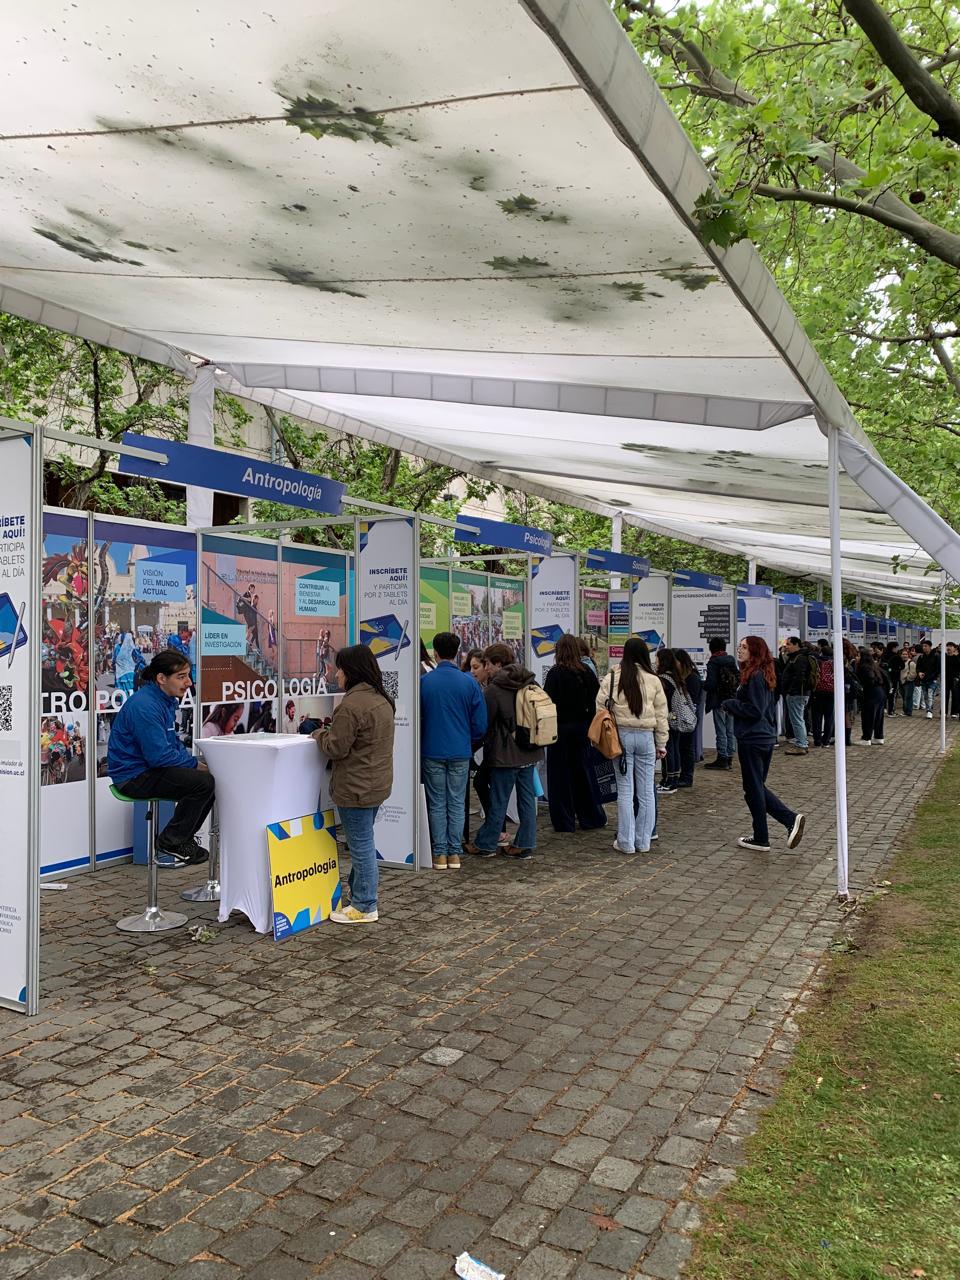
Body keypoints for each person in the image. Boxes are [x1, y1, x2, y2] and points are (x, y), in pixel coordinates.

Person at [107, 650, 215, 868]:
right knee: (205, 783)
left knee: (211, 780)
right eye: (181, 676)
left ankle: (181, 839)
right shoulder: (146, 706)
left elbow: (171, 744)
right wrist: (195, 765)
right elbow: (159, 756)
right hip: (132, 777)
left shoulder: (164, 701)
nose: (188, 682)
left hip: (147, 769)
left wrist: (196, 763)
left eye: (188, 675)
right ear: (161, 678)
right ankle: (171, 841)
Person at [312, 644, 395, 924]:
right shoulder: (381, 699)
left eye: (338, 669)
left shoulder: (351, 705)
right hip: (375, 784)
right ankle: (359, 896)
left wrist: (319, 734)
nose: (335, 675)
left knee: (361, 848)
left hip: (355, 787)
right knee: (364, 843)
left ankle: (364, 904)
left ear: (350, 671)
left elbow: (336, 748)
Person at [723, 636, 805, 853]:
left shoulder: (757, 676)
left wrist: (731, 704)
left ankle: (785, 821)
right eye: (739, 647)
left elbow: (755, 710)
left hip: (754, 738)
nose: (739, 651)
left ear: (754, 651)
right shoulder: (759, 674)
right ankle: (763, 834)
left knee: (754, 788)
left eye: (744, 648)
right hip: (761, 737)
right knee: (754, 789)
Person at [463, 643, 543, 861]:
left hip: (506, 754)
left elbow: (484, 724)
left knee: (498, 800)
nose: (486, 668)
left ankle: (486, 844)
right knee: (526, 800)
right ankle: (525, 844)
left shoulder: (495, 689)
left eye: (487, 663)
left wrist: (474, 746)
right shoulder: (530, 681)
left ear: (498, 664)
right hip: (530, 750)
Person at [420, 632, 487, 870]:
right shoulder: (469, 682)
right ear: (458, 652)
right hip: (460, 750)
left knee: (437, 802)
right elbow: (480, 724)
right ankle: (454, 854)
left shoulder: (424, 682)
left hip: (432, 750)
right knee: (457, 802)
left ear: (435, 653)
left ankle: (439, 854)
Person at [598, 637, 667, 854]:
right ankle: (643, 841)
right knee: (646, 791)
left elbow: (600, 705)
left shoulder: (612, 676)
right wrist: (662, 743)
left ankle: (626, 842)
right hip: (646, 737)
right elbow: (661, 715)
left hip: (622, 737)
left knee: (625, 791)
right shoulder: (654, 680)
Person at [544, 634, 606, 833]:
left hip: (560, 731)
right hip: (582, 729)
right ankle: (590, 816)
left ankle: (564, 820)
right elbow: (596, 701)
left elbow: (548, 703)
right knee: (583, 774)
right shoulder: (586, 671)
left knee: (560, 777)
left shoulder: (555, 674)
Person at [704, 637, 739, 770]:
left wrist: (703, 685)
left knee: (721, 730)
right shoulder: (731, 660)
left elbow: (711, 684)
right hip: (731, 699)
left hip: (718, 700)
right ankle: (729, 756)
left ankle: (722, 758)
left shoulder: (713, 662)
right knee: (730, 729)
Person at [780, 636, 818, 755]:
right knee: (798, 719)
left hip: (797, 694)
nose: (787, 646)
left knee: (797, 719)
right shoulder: (798, 657)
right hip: (800, 693)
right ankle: (801, 742)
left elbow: (799, 677)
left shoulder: (800, 658)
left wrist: (791, 691)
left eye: (789, 644)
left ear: (796, 644)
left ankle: (801, 744)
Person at [672, 649, 702, 787]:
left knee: (686, 747)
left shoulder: (692, 677)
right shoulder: (682, 676)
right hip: (682, 716)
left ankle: (687, 776)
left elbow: (692, 701)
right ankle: (682, 774)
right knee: (682, 746)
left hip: (688, 717)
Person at [855, 647, 887, 746]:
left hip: (871, 693)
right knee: (878, 716)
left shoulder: (864, 667)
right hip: (880, 692)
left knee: (868, 716)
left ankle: (866, 738)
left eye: (858, 655)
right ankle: (878, 737)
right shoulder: (874, 665)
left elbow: (869, 679)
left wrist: (862, 688)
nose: (856, 657)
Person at [810, 643, 836, 748]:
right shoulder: (835, 663)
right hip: (831, 691)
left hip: (818, 691)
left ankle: (817, 740)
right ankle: (826, 740)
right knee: (829, 717)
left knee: (817, 716)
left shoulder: (817, 662)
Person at [915, 640, 938, 718]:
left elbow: (938, 669)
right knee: (925, 696)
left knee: (930, 695)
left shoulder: (936, 656)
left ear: (930, 647)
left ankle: (929, 711)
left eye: (926, 646)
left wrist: (933, 676)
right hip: (924, 679)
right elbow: (918, 667)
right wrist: (919, 673)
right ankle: (928, 709)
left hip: (933, 679)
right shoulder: (921, 657)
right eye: (923, 646)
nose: (924, 648)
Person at [881, 642, 904, 716]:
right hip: (894, 678)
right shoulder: (896, 656)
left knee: (885, 694)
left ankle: (884, 709)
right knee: (893, 695)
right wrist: (897, 669)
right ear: (893, 648)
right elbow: (902, 666)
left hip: (885, 678)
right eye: (897, 647)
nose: (897, 649)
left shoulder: (883, 656)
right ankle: (891, 711)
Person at [900, 646, 917, 717]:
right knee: (904, 697)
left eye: (906, 654)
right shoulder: (900, 662)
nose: (904, 656)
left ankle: (908, 712)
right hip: (901, 682)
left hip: (908, 682)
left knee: (908, 697)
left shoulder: (911, 663)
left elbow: (913, 673)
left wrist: (907, 678)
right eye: (903, 654)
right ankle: (905, 711)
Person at [945, 642, 959, 718]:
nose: (948, 648)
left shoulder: (957, 657)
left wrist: (957, 677)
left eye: (950, 646)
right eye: (948, 646)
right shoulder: (944, 657)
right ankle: (944, 711)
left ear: (954, 648)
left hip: (954, 680)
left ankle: (954, 712)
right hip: (946, 679)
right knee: (945, 695)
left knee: (955, 696)